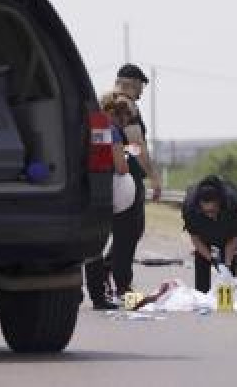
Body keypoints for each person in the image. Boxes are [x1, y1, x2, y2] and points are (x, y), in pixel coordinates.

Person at [107, 63, 161, 296]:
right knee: (129, 232)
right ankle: (121, 283)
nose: (141, 94)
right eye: (140, 87)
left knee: (123, 231)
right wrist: (153, 176)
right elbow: (135, 144)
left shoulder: (106, 102)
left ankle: (109, 273)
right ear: (133, 83)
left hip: (111, 177)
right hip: (127, 179)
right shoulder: (126, 105)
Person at [85, 92, 134, 309]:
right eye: (125, 118)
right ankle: (98, 296)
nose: (126, 123)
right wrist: (126, 155)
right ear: (115, 113)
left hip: (85, 187)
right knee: (97, 243)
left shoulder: (92, 125)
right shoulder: (111, 131)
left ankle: (90, 292)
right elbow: (121, 168)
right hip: (103, 190)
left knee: (89, 243)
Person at [182, 175, 237, 293]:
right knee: (202, 255)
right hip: (205, 230)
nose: (209, 215)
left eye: (212, 211)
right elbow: (195, 238)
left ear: (219, 202)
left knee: (226, 263)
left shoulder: (232, 203)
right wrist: (212, 259)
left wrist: (226, 266)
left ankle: (228, 291)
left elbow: (233, 238)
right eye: (205, 211)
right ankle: (202, 294)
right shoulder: (190, 208)